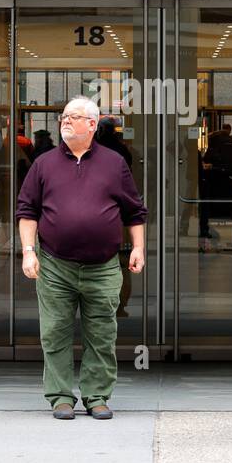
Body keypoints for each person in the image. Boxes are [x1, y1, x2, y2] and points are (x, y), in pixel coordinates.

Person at [17, 96, 147, 420]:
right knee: (55, 331)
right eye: (63, 117)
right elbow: (27, 211)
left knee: (102, 333)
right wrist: (28, 252)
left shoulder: (114, 163)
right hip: (55, 264)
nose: (65, 121)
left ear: (92, 123)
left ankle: (97, 395)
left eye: (73, 117)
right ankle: (60, 396)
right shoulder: (43, 163)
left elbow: (134, 211)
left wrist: (139, 247)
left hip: (103, 266)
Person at [94, 116, 137, 318]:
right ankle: (119, 305)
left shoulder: (93, 150)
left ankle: (101, 305)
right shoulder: (123, 152)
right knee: (121, 261)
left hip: (98, 212)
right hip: (118, 211)